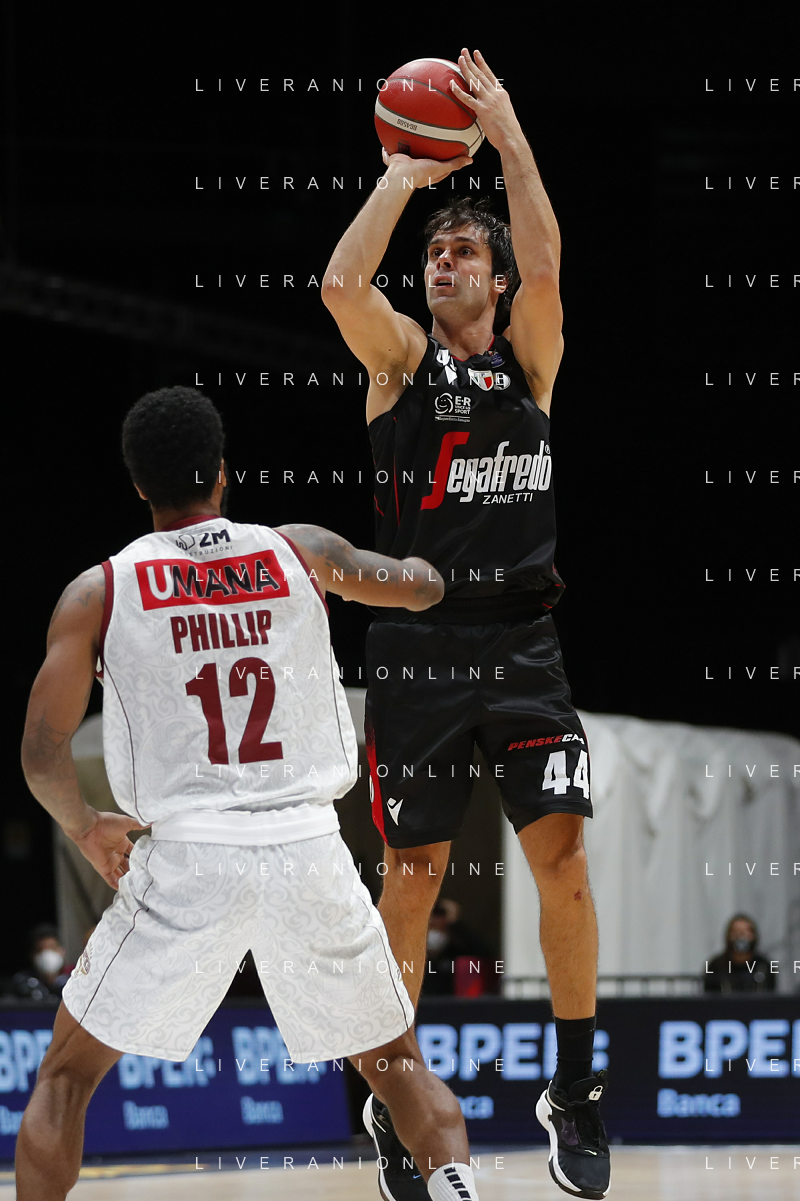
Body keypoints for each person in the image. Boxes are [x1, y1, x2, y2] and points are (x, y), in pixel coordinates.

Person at [17, 387, 482, 1201]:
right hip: (309, 846)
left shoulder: (99, 591)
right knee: (398, 1065)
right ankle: (458, 1188)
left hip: (190, 856)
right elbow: (421, 587)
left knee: (66, 1076)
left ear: (137, 483)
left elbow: (40, 754)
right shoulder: (301, 550)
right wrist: (436, 532)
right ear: (224, 471)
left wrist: (85, 825)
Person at [323, 48, 609, 1199]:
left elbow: (546, 259)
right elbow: (341, 288)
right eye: (434, 253)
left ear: (495, 283)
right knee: (411, 876)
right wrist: (403, 175)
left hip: (524, 645)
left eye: (460, 253)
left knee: (565, 864)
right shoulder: (401, 363)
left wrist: (507, 131)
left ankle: (573, 1089)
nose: (442, 262)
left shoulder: (531, 367)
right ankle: (396, 1092)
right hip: (419, 653)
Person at [703, 914, 776, 993]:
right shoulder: (715, 966)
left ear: (754, 935)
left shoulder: (764, 966)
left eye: (746, 932)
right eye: (736, 932)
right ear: (728, 935)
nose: (741, 936)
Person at [7, 925, 71, 1002]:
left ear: (62, 951)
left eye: (52, 948)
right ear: (32, 955)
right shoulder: (21, 985)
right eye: (40, 950)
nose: (47, 955)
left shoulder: (73, 982)